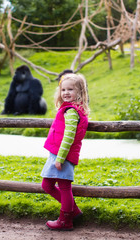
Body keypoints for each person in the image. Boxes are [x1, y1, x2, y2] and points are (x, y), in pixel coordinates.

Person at [41, 73, 90, 231]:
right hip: (58, 153)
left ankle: (65, 220)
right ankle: (72, 211)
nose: (66, 93)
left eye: (71, 89)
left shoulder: (71, 112)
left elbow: (68, 137)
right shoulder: (70, 109)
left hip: (62, 155)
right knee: (47, 184)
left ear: (80, 92)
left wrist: (60, 158)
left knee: (63, 187)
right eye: (63, 89)